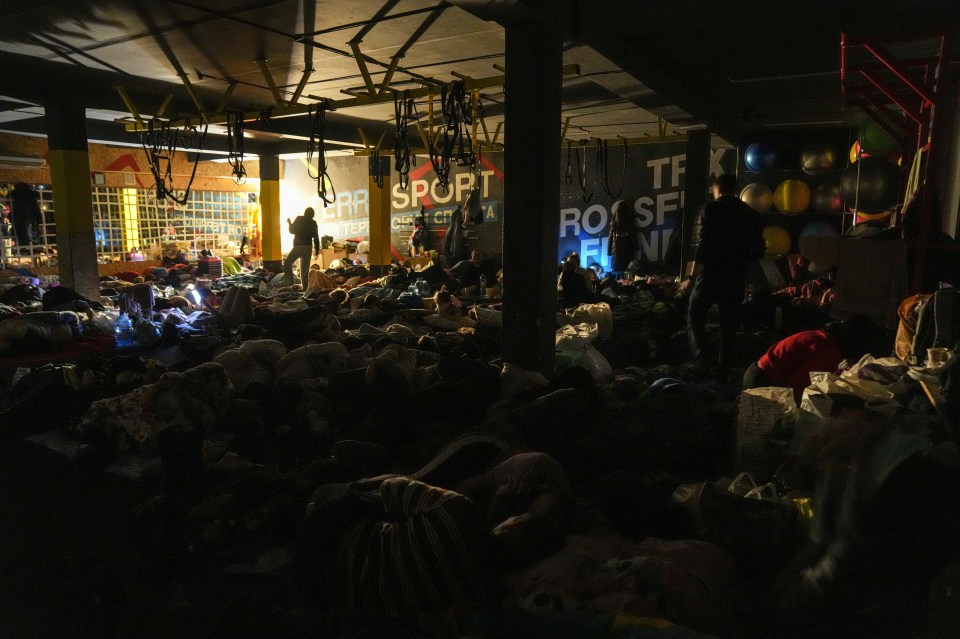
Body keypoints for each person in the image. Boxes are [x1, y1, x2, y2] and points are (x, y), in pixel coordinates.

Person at [683, 174, 764, 381]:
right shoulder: (750, 214)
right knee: (729, 327)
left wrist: (691, 279)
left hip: (711, 274)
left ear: (716, 189)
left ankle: (703, 359)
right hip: (735, 275)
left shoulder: (710, 209)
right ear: (735, 189)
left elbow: (701, 247)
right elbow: (759, 251)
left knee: (694, 314)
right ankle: (723, 373)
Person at [742, 314, 879, 402]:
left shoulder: (822, 337)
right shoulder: (828, 349)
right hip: (762, 381)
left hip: (757, 372)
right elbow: (794, 387)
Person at [283, 206, 320, 290]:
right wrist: (317, 250)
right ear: (312, 215)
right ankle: (305, 289)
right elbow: (316, 238)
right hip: (308, 247)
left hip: (299, 246)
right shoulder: (313, 223)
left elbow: (292, 231)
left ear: (305, 213)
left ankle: (290, 280)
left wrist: (289, 223)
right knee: (304, 270)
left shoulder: (299, 219)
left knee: (287, 263)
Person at [9, 182, 43, 249]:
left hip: (19, 221)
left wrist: (10, 218)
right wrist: (40, 221)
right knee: (30, 236)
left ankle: (24, 247)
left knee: (21, 237)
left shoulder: (16, 198)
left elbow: (13, 211)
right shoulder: (31, 198)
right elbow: (36, 210)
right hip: (31, 221)